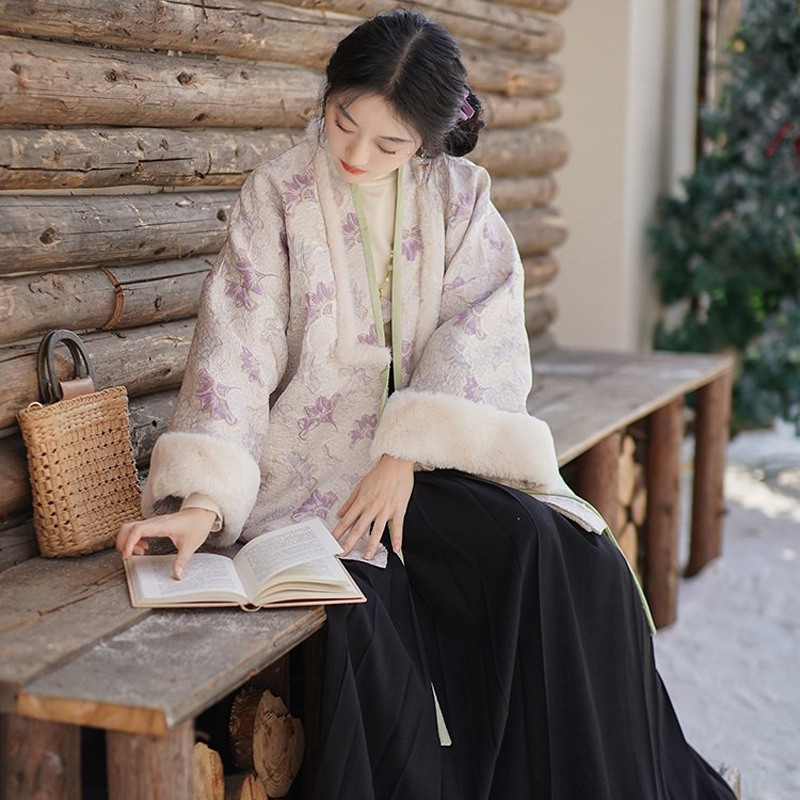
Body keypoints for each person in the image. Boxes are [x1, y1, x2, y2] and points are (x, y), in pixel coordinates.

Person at [117, 10, 738, 799]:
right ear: (329, 94)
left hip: (430, 463)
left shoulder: (461, 197)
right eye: (344, 121)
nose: (355, 154)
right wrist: (205, 502)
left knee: (569, 559)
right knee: (374, 623)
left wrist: (404, 451)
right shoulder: (276, 195)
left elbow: (482, 333)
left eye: (389, 144)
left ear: (428, 142)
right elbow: (236, 349)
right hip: (308, 475)